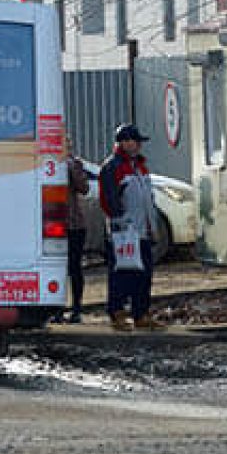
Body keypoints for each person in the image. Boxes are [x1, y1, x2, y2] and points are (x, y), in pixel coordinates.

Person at [98, 123, 165, 332]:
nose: (138, 146)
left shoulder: (140, 166)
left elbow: (148, 199)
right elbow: (108, 200)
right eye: (135, 142)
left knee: (143, 275)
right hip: (124, 232)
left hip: (142, 230)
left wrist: (152, 226)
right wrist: (120, 222)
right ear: (124, 142)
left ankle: (141, 313)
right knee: (121, 275)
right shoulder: (113, 167)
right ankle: (117, 313)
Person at [52, 134, 90, 323]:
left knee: (75, 267)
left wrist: (73, 168)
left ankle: (76, 309)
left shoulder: (75, 164)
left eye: (67, 144)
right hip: (54, 224)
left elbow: (84, 188)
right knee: (57, 268)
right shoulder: (47, 165)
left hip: (74, 223)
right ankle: (57, 310)